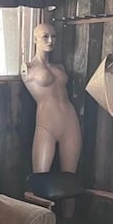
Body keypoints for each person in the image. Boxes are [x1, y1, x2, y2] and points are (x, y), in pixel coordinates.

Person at [21, 23, 82, 174]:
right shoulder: (27, 68)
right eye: (45, 37)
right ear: (35, 39)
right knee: (40, 178)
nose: (50, 41)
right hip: (46, 123)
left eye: (53, 36)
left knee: (70, 180)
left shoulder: (60, 67)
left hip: (70, 121)